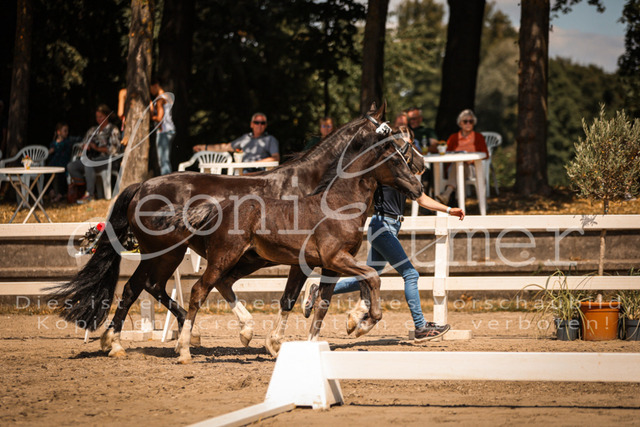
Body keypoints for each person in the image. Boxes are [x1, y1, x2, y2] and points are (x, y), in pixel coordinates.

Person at [304, 184, 465, 342]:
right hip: (383, 227)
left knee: (367, 279)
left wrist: (449, 210)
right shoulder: (389, 173)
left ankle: (317, 290)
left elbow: (421, 199)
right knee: (411, 274)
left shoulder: (405, 177)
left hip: (389, 226)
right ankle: (420, 326)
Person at [67, 104, 121, 203]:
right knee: (71, 166)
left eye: (101, 117)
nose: (98, 119)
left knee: (89, 163)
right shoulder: (92, 130)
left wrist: (97, 148)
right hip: (91, 158)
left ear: (107, 116)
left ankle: (90, 195)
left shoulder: (113, 129)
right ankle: (82, 189)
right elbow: (83, 142)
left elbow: (115, 149)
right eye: (97, 117)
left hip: (108, 160)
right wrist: (85, 147)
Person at [193, 112, 279, 173]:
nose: (259, 125)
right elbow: (226, 147)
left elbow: (276, 158)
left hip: (261, 172)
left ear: (266, 125)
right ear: (251, 124)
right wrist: (204, 147)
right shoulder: (245, 138)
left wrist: (255, 163)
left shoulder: (270, 139)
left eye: (262, 123)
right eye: (256, 122)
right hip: (243, 171)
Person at [436, 109, 489, 204]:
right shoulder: (453, 137)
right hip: (454, 167)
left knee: (461, 166)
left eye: (471, 121)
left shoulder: (478, 137)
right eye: (465, 121)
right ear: (460, 123)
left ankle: (447, 194)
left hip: (472, 168)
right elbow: (447, 153)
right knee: (459, 165)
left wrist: (472, 160)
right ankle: (460, 202)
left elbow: (486, 155)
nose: (468, 124)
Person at [149, 78, 176, 175]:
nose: (150, 92)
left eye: (150, 88)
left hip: (163, 131)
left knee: (163, 161)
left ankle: (167, 181)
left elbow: (159, 118)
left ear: (155, 85)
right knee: (165, 159)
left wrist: (150, 116)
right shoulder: (166, 96)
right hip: (170, 130)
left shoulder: (160, 99)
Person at [46, 122, 76, 202]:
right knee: (47, 173)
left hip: (63, 163)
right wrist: (50, 152)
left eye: (67, 131)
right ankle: (51, 192)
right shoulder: (53, 143)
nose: (67, 133)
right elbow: (49, 154)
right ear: (59, 132)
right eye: (65, 131)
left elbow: (65, 151)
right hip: (53, 163)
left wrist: (55, 148)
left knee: (61, 175)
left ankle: (60, 194)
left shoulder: (67, 142)